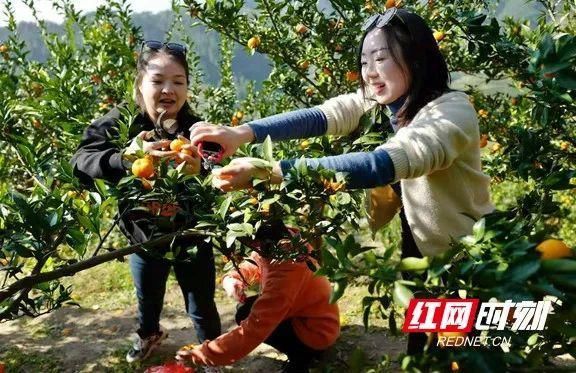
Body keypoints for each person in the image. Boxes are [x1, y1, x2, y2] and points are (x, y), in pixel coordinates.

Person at [188, 8, 494, 353]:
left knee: (456, 351)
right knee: (423, 344)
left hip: (464, 251)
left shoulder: (450, 113)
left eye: (381, 58)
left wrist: (271, 171)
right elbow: (323, 116)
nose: (370, 72)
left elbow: (381, 164)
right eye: (364, 61)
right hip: (421, 238)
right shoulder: (384, 103)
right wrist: (241, 133)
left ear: (417, 58)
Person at [70, 41, 221, 365]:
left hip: (192, 237)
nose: (168, 89)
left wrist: (204, 170)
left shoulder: (196, 129)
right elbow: (81, 160)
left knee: (201, 303)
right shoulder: (119, 123)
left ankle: (211, 354)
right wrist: (125, 158)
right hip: (142, 238)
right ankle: (149, 334)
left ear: (187, 88)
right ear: (140, 84)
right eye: (157, 80)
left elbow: (224, 172)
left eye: (178, 81)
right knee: (147, 298)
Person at [176, 223, 340, 373]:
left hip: (316, 332)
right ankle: (302, 353)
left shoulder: (288, 270)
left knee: (250, 316)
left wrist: (202, 354)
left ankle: (303, 358)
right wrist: (234, 278)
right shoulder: (281, 241)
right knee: (245, 310)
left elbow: (252, 331)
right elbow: (257, 261)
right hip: (301, 314)